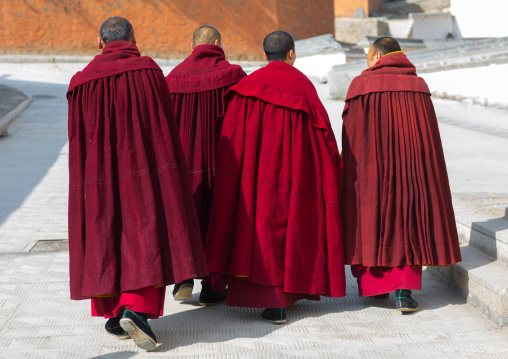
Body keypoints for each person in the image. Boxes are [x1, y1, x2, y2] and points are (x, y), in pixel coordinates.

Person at [67, 17, 208, 350]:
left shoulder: (80, 82)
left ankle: (117, 312)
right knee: (146, 231)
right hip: (143, 168)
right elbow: (163, 128)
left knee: (107, 233)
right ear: (133, 39)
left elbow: (77, 143)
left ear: (99, 43)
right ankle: (136, 308)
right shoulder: (148, 71)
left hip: (98, 176)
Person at [205, 31, 345, 324]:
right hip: (293, 176)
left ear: (265, 54)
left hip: (252, 179)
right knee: (288, 228)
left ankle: (265, 297)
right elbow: (325, 141)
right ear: (291, 54)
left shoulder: (246, 87)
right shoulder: (302, 87)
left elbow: (227, 135)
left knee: (255, 229)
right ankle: (279, 299)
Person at [341, 37, 462, 312]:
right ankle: (403, 292)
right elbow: (428, 134)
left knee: (373, 218)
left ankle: (377, 287)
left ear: (376, 57)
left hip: (371, 168)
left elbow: (351, 132)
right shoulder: (418, 85)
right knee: (408, 219)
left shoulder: (362, 84)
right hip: (411, 167)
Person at [165, 25, 246, 305]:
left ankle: (183, 277)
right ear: (216, 43)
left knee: (186, 217)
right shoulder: (233, 75)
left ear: (192, 47)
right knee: (219, 219)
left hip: (185, 168)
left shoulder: (172, 78)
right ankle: (213, 286)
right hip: (223, 164)